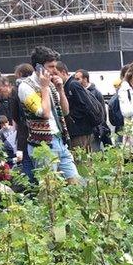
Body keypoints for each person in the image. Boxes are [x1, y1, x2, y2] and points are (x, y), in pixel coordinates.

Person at [17, 46, 80, 183]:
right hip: (43, 145)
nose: (54, 70)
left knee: (76, 183)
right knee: (49, 189)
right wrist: (44, 87)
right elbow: (44, 113)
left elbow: (65, 111)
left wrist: (60, 90)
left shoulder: (51, 85)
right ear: (39, 67)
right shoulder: (25, 86)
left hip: (59, 140)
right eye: (51, 66)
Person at [56, 62, 101, 152]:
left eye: (56, 74)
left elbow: (86, 105)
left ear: (63, 72)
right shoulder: (67, 85)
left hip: (80, 131)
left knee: (81, 161)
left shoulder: (72, 85)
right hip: (79, 130)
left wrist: (72, 116)